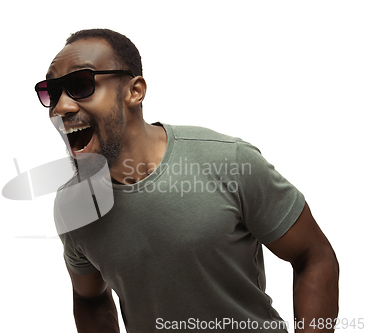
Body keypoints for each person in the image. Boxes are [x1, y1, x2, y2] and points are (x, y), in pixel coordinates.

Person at [34, 28, 339, 333]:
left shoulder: (228, 161)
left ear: (135, 91)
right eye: (52, 92)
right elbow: (89, 298)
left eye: (80, 85)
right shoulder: (74, 205)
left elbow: (314, 256)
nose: (60, 108)